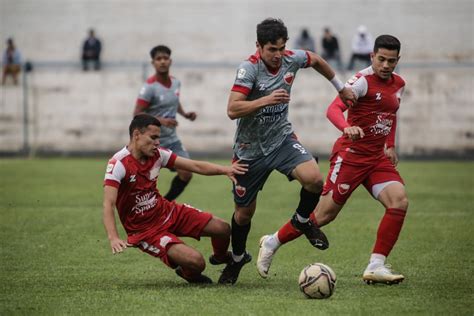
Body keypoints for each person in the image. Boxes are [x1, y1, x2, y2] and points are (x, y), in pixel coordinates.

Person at [258, 35, 407, 285]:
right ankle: (272, 241)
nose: (385, 65)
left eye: (391, 61)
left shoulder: (399, 83)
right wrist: (346, 127)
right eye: (381, 59)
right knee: (324, 216)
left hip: (376, 159)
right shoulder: (361, 82)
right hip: (351, 157)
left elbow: (390, 115)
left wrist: (390, 145)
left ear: (397, 61)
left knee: (399, 202)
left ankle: (376, 265)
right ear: (372, 56)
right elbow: (333, 109)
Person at [218, 18, 355, 285]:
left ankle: (303, 220)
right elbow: (233, 109)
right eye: (272, 49)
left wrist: (341, 87)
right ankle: (237, 258)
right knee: (244, 214)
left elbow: (315, 59)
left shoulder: (291, 59)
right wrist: (266, 99)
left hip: (281, 140)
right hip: (249, 151)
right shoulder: (249, 70)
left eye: (282, 48)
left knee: (315, 180)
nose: (278, 55)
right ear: (258, 46)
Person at [102, 114, 247, 284]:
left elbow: (195, 166)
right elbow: (108, 203)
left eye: (159, 138)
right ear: (136, 135)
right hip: (145, 231)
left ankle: (222, 258)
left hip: (167, 211)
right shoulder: (118, 163)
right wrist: (113, 237)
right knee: (196, 263)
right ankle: (188, 273)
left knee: (223, 229)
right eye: (153, 137)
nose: (157, 143)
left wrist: (225, 170)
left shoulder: (159, 155)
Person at [134, 45, 197, 202]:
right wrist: (161, 121)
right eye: (158, 59)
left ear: (170, 61)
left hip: (172, 139)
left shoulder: (176, 83)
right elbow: (137, 114)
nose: (162, 62)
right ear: (153, 63)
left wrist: (185, 114)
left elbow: (174, 102)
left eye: (165, 58)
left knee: (187, 173)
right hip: (152, 141)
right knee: (143, 179)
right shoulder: (149, 87)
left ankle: (166, 203)